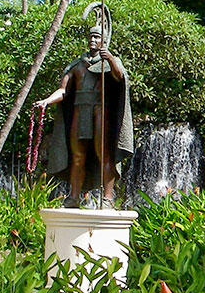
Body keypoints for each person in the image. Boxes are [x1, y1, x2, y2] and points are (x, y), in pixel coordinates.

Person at [36, 23, 134, 207]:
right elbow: (63, 91)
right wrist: (46, 101)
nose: (93, 40)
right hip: (80, 112)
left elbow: (120, 78)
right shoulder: (77, 65)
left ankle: (107, 198)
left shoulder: (109, 61)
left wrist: (111, 59)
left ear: (103, 40)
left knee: (104, 155)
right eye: (91, 36)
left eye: (97, 37)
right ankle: (73, 197)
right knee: (77, 156)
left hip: (100, 111)